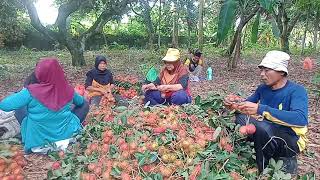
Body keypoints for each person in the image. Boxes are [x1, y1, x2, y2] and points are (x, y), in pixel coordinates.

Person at [224, 51, 308, 174]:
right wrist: (233, 105)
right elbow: (246, 105)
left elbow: (300, 119)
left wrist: (260, 109)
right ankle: (252, 148)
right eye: (261, 70)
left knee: (262, 127)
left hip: (291, 139)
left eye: (267, 70)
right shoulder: (263, 88)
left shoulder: (297, 91)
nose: (262, 74)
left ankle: (263, 169)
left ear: (281, 72)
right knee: (241, 117)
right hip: (268, 130)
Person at [0, 58, 89, 153]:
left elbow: (4, 105)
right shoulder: (68, 89)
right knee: (85, 104)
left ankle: (29, 134)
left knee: (20, 106)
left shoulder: (30, 91)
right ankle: (70, 128)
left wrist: (19, 94)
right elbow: (81, 103)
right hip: (67, 137)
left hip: (38, 142)